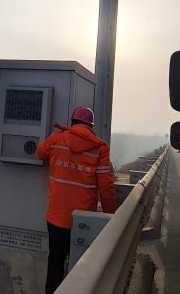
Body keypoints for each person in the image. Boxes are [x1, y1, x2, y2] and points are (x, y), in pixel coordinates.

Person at [36, 106, 116, 294]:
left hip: (57, 218)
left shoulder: (56, 140)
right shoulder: (100, 148)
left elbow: (40, 152)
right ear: (91, 126)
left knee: (55, 262)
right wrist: (110, 216)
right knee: (81, 267)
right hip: (84, 221)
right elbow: (106, 187)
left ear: (72, 122)